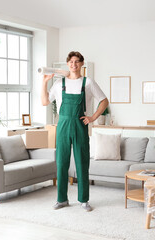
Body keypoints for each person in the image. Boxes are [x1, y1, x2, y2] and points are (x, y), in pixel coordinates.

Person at [41, 51, 108, 212]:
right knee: (62, 163)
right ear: (67, 64)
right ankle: (61, 199)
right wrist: (44, 82)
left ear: (82, 63)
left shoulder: (88, 82)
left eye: (77, 61)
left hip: (80, 125)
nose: (74, 64)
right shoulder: (59, 83)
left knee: (82, 162)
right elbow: (44, 102)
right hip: (63, 124)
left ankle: (84, 200)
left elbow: (104, 101)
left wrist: (92, 118)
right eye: (71, 62)